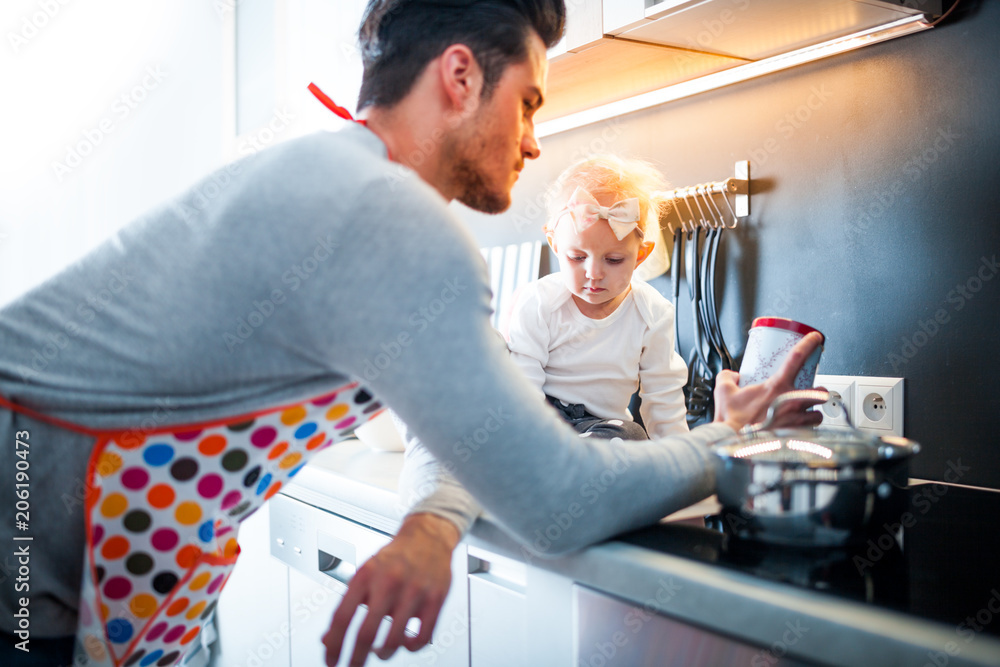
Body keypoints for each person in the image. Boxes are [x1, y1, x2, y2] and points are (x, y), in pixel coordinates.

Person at [0, 2, 823, 667]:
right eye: (529, 102)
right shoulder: (389, 216)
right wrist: (731, 444)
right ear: (460, 75)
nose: (534, 140)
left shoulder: (339, 179)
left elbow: (471, 430)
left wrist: (432, 522)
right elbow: (560, 499)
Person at [396, 153, 690, 541]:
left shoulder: (654, 313)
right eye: (576, 256)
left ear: (642, 255)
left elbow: (664, 403)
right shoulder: (540, 301)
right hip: (534, 417)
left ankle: (563, 485)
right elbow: (523, 390)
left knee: (633, 437)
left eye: (614, 259)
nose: (593, 273)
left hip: (595, 432)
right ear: (553, 241)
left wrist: (685, 483)